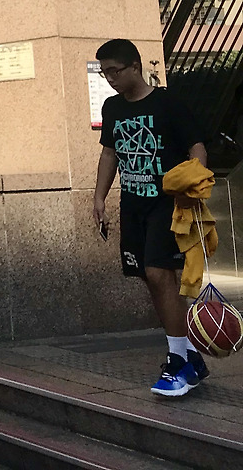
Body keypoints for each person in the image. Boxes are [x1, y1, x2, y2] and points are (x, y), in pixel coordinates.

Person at [94, 38, 210, 397]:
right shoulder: (113, 107)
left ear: (135, 66)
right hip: (133, 205)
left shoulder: (167, 103)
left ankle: (178, 362)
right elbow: (110, 153)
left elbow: (196, 146)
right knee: (151, 278)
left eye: (115, 71)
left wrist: (195, 183)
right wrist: (99, 198)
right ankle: (189, 353)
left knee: (160, 273)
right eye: (104, 72)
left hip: (167, 205)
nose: (110, 78)